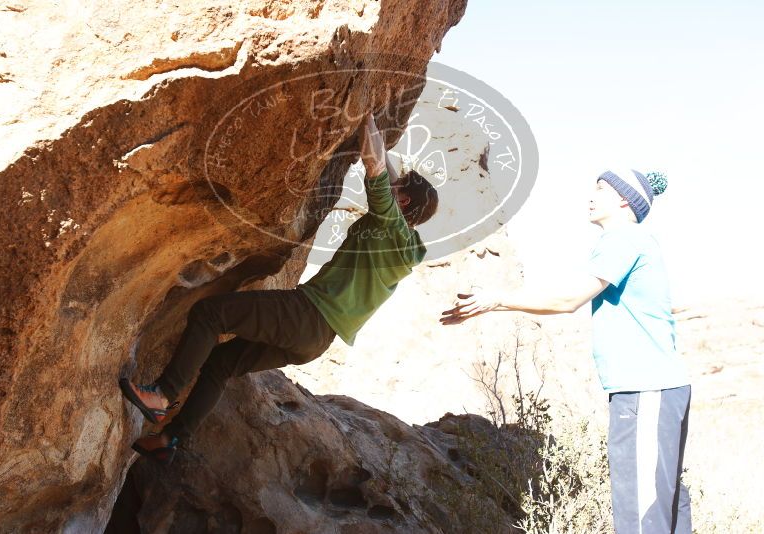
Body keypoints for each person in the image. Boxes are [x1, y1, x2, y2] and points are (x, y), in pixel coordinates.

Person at [119, 112, 438, 464]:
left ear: (403, 202)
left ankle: (163, 396)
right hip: (317, 340)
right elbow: (392, 181)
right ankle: (170, 439)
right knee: (221, 363)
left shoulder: (389, 223)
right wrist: (396, 171)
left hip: (308, 315)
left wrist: (366, 115)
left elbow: (375, 164)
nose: (394, 189)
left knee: (211, 314)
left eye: (399, 191)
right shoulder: (404, 245)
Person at [440, 169, 691, 534]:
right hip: (658, 388)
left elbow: (570, 298)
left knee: (642, 515)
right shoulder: (637, 241)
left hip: (644, 389)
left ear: (624, 200)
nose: (591, 195)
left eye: (601, 188)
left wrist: (496, 299)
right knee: (666, 506)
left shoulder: (623, 238)